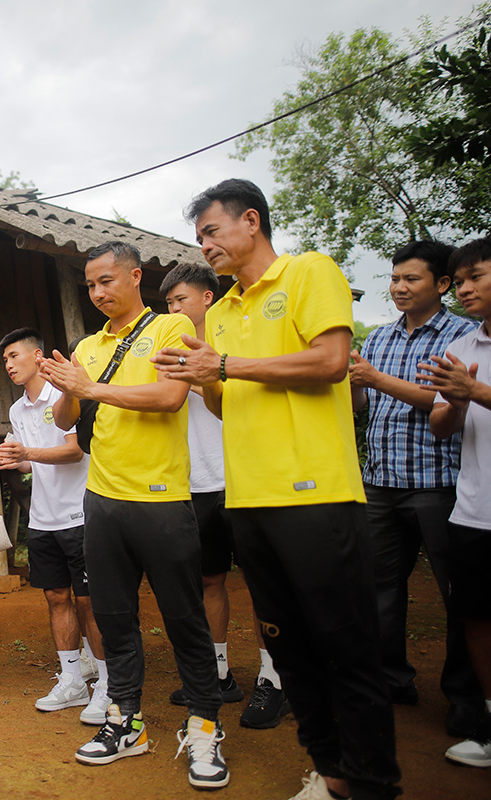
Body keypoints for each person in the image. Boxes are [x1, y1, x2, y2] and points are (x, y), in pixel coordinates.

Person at [155, 179, 400, 800]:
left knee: (344, 647)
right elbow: (220, 403)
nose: (205, 245)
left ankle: (373, 783)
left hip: (316, 497)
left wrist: (226, 366)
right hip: (249, 503)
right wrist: (199, 374)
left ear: (251, 222)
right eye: (200, 236)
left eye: (211, 231)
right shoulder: (225, 311)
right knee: (288, 652)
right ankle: (333, 772)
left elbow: (328, 363)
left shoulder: (309, 271)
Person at [40, 241, 227, 791]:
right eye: (90, 285)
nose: (98, 293)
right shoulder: (87, 346)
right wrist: (68, 390)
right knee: (116, 619)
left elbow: (171, 397)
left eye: (106, 281)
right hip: (101, 500)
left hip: (162, 498)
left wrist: (89, 386)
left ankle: (205, 727)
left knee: (184, 618)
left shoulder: (169, 331)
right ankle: (127, 722)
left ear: (134, 276)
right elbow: (65, 418)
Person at [350, 241, 481, 736]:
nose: (399, 288)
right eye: (395, 279)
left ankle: (465, 697)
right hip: (380, 482)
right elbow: (365, 409)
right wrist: (356, 384)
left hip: (440, 482)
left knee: (457, 597)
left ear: (442, 284)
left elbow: (446, 401)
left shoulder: (464, 336)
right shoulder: (380, 337)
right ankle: (391, 680)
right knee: (380, 589)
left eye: (412, 279)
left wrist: (375, 378)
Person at [160, 265, 290, 730]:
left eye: (181, 300)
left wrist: (202, 373)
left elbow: (249, 387)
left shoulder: (234, 338)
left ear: (208, 297)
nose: (173, 309)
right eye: (170, 303)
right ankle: (218, 673)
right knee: (208, 580)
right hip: (194, 482)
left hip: (242, 477)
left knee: (262, 582)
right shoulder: (166, 347)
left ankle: (275, 678)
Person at [0, 328, 110, 724]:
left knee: (88, 601)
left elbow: (76, 451)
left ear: (37, 355)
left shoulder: (64, 395)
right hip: (42, 518)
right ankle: (74, 680)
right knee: (56, 597)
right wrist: (18, 460)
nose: (8, 365)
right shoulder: (16, 410)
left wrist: (29, 452)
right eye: (5, 359)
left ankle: (108, 685)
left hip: (79, 513)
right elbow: (34, 460)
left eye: (14, 356)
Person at [421, 236, 491, 768]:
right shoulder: (465, 349)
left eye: (476, 278)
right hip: (473, 509)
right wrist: (455, 402)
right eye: (460, 280)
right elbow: (442, 425)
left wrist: (477, 393)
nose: (465, 289)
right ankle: (487, 727)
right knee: (476, 618)